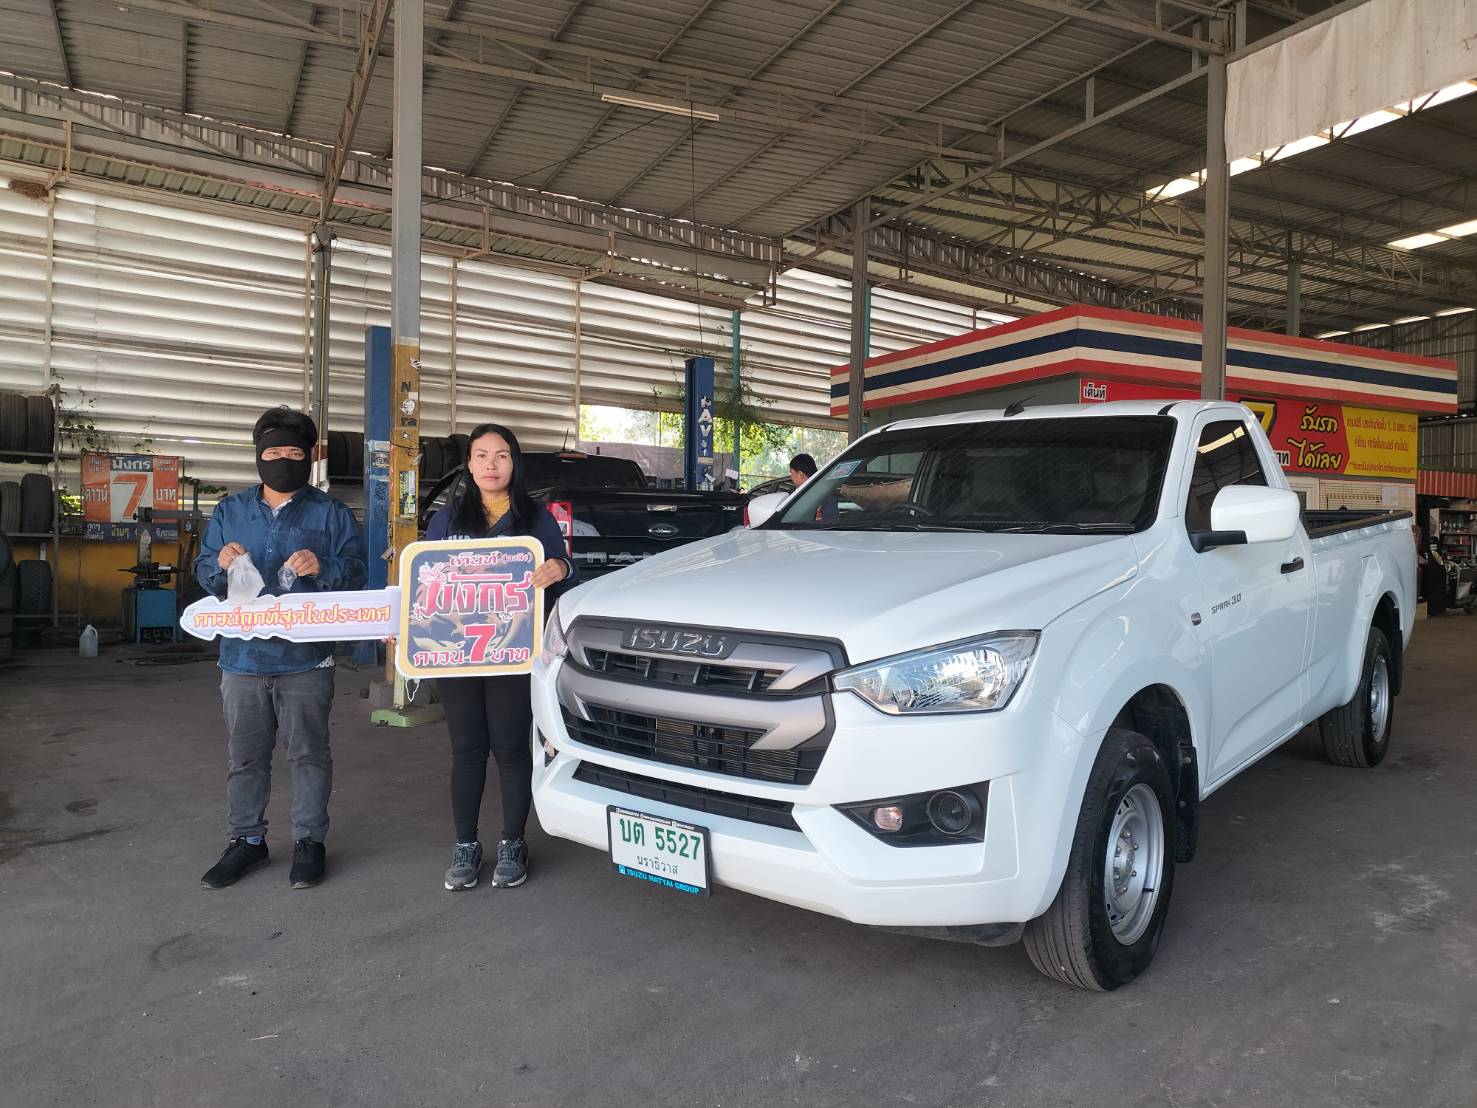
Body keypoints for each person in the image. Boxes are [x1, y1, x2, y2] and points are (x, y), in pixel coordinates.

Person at [194, 407, 367, 891]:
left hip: (306, 658)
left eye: (294, 452)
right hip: (242, 658)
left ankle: (310, 842)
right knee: (245, 757)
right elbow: (204, 571)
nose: (283, 460)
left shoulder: (331, 513)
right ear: (258, 456)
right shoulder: (230, 511)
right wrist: (219, 563)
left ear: (309, 458)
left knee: (309, 754)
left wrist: (324, 565)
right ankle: (247, 841)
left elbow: (357, 572)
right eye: (273, 452)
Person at [423, 423, 575, 891]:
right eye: (482, 455)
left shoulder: (537, 520)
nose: (492, 464)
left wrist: (560, 566)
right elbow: (424, 583)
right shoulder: (447, 520)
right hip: (459, 655)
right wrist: (408, 631)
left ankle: (513, 841)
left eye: (502, 455)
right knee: (467, 750)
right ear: (469, 465)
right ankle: (465, 844)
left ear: (514, 463)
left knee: (510, 749)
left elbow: (564, 571)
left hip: (513, 651)